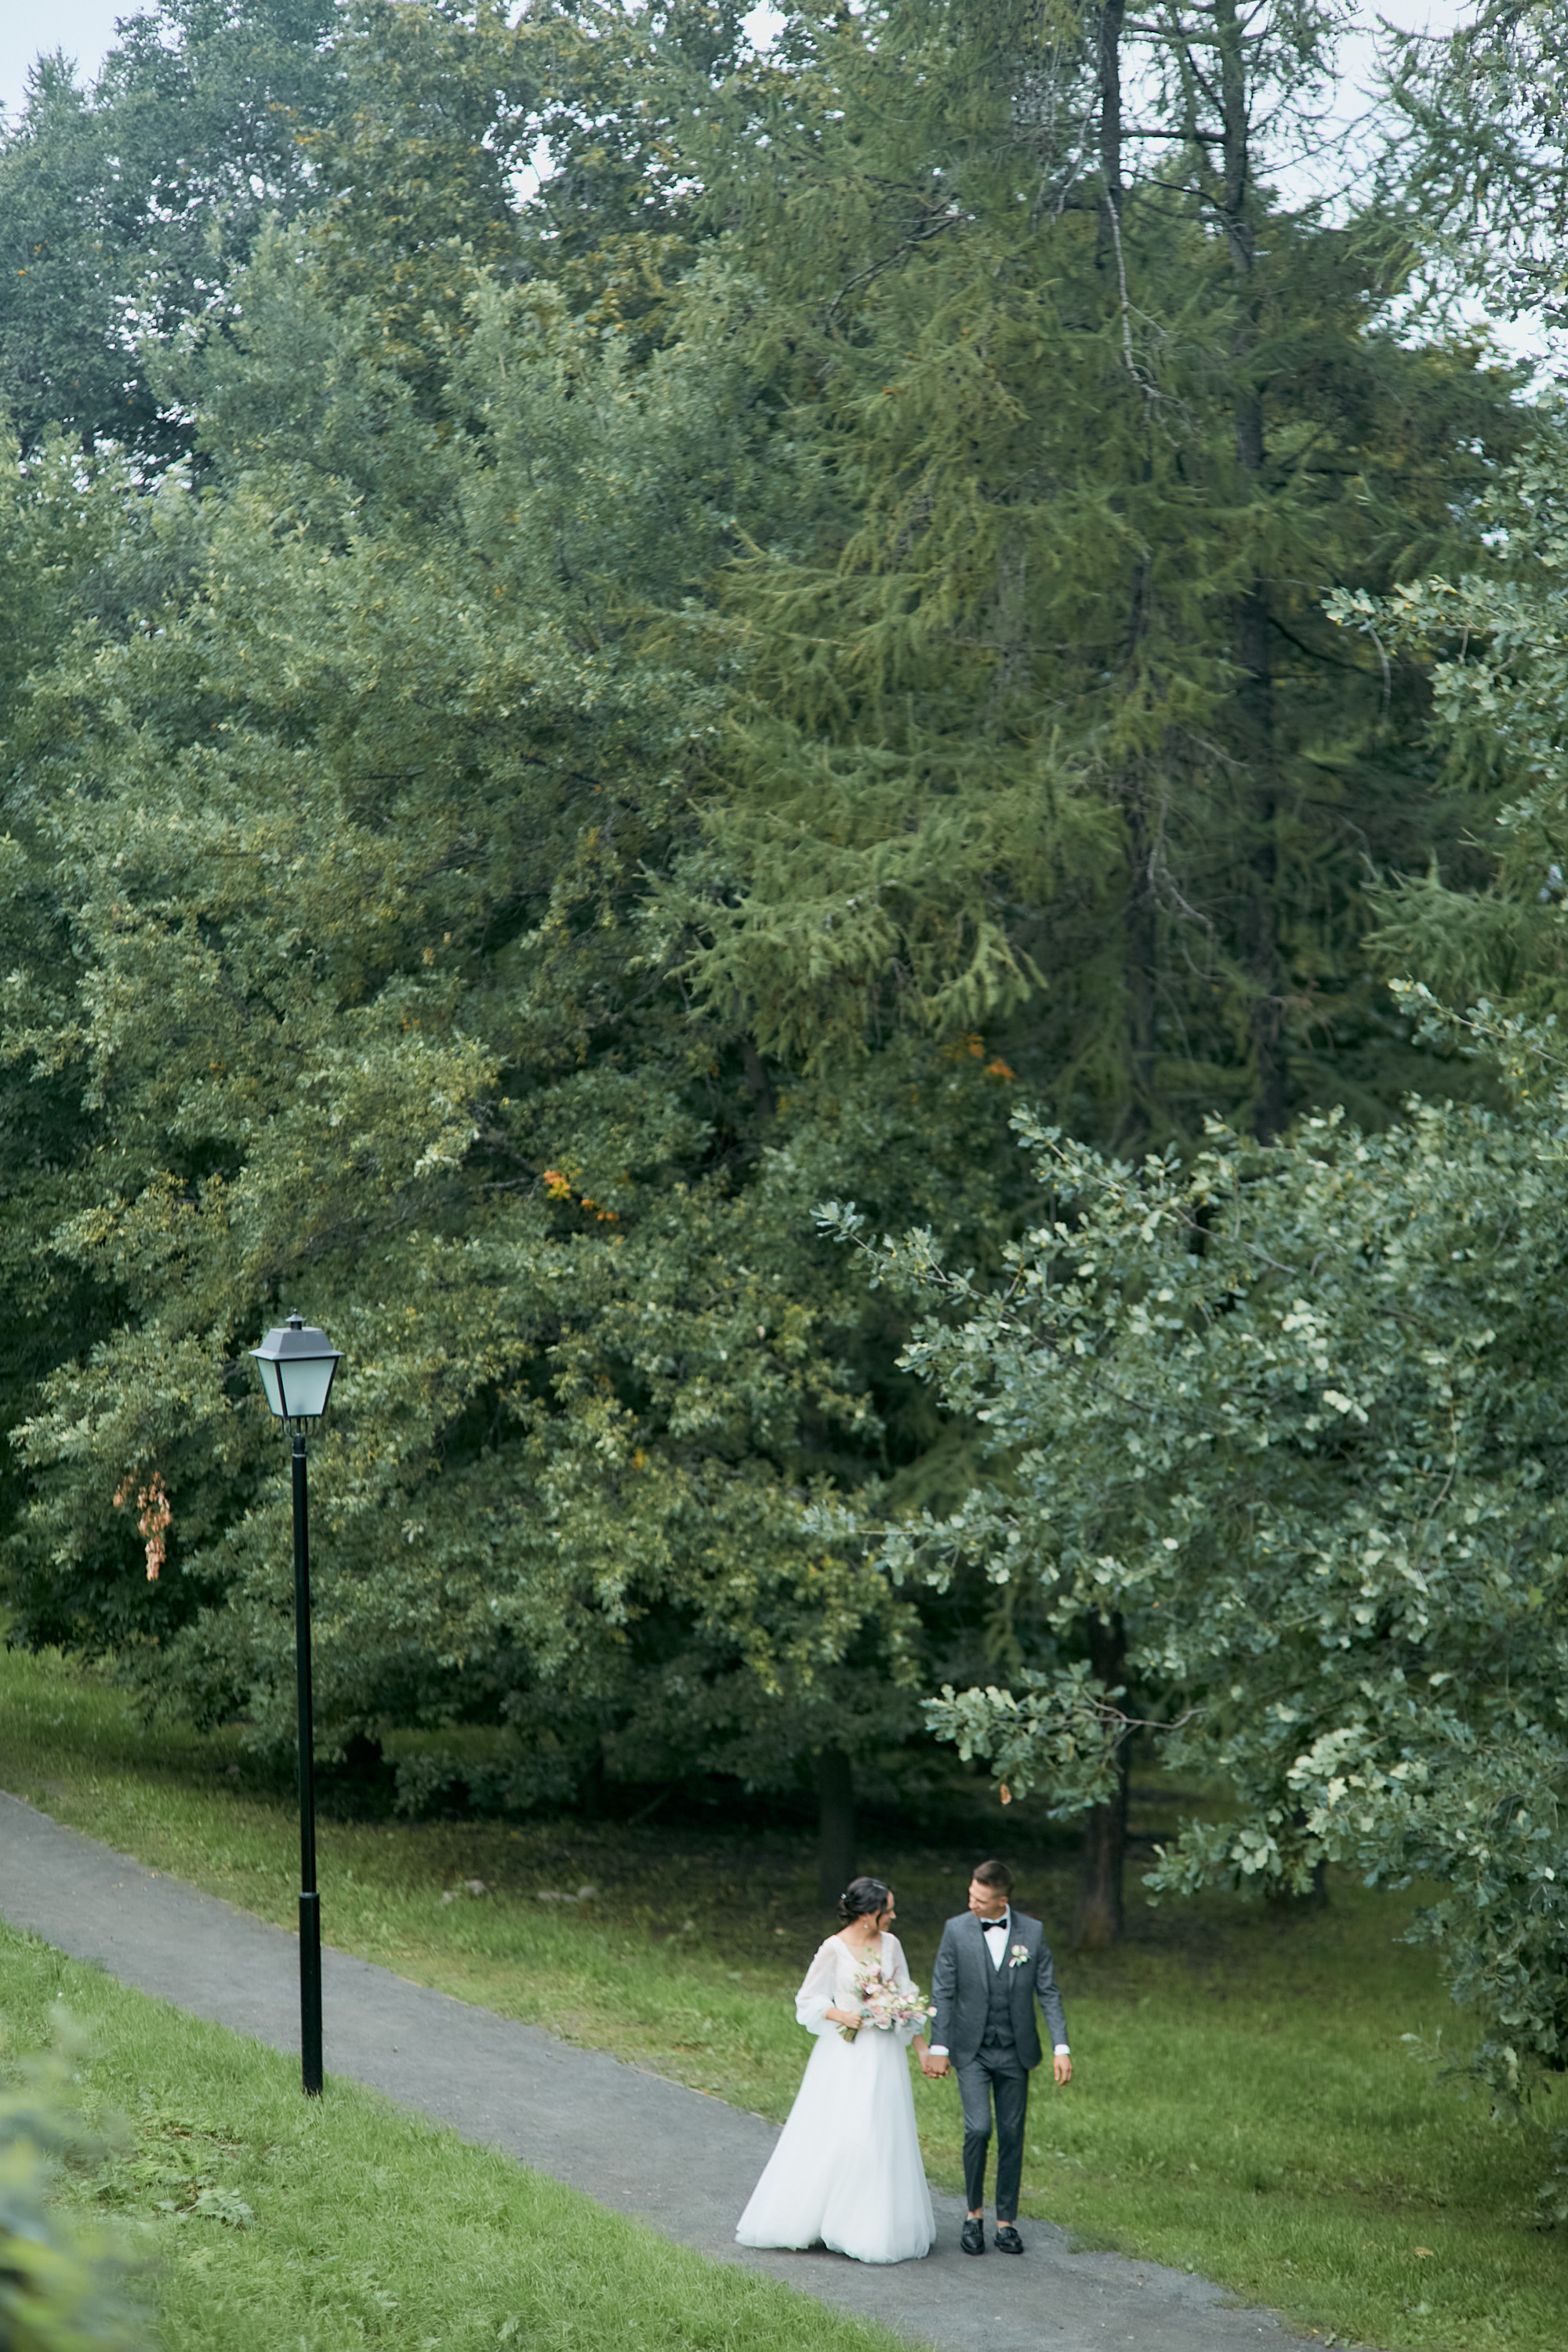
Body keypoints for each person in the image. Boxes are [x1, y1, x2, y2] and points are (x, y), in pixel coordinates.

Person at [735, 1875, 937, 2264]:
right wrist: (841, 2013)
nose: (894, 1916)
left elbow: (906, 1999)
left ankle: (864, 2227)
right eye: (888, 1910)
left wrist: (922, 2048)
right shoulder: (834, 1948)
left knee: (879, 2133)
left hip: (883, 2056)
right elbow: (807, 1999)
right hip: (844, 2053)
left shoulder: (891, 1945)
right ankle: (814, 2218)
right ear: (868, 1915)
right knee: (842, 2132)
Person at [921, 1857, 1072, 2256]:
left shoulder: (1033, 1933)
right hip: (971, 2050)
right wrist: (939, 2047)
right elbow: (943, 1991)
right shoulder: (956, 1930)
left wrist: (1061, 2047)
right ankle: (973, 2214)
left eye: (981, 1900)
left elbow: (1049, 1992)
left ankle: (1007, 2223)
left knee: (1011, 2134)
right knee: (978, 2129)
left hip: (1016, 2051)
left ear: (1002, 1900)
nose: (972, 1904)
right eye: (971, 1895)